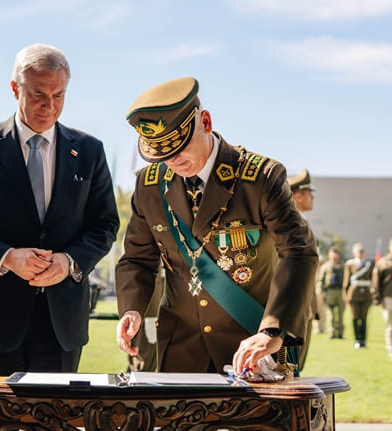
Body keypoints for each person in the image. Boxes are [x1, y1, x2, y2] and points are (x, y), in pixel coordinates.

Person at [115, 77, 319, 376]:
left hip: (252, 347)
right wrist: (132, 307)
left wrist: (273, 331)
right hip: (181, 349)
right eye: (162, 154)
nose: (172, 161)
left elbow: (298, 252)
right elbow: (137, 259)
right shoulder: (150, 185)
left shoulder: (260, 178)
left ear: (206, 122)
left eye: (179, 147)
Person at [0, 43, 119, 376]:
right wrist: (8, 257)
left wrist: (69, 262)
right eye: (38, 94)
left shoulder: (90, 151)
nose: (49, 106)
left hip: (62, 323)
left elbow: (105, 225)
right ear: (15, 89)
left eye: (59, 95)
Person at [288, 168, 319, 370]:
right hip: (294, 299)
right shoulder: (292, 224)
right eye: (309, 193)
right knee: (290, 365)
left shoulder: (302, 222)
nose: (312, 197)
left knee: (297, 364)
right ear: (297, 196)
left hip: (304, 297)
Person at [343, 242, 374, 348]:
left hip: (366, 294)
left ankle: (363, 340)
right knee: (355, 317)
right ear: (354, 253)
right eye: (359, 251)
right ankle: (357, 339)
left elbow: (372, 279)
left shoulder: (369, 264)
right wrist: (345, 296)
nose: (361, 253)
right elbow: (346, 280)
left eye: (362, 251)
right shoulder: (350, 264)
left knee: (364, 317)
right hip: (354, 294)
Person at [316, 247, 345, 339]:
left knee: (340, 314)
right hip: (330, 292)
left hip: (340, 291)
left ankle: (340, 333)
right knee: (330, 314)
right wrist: (321, 294)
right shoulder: (325, 267)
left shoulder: (343, 267)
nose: (335, 257)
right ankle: (332, 332)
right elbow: (320, 281)